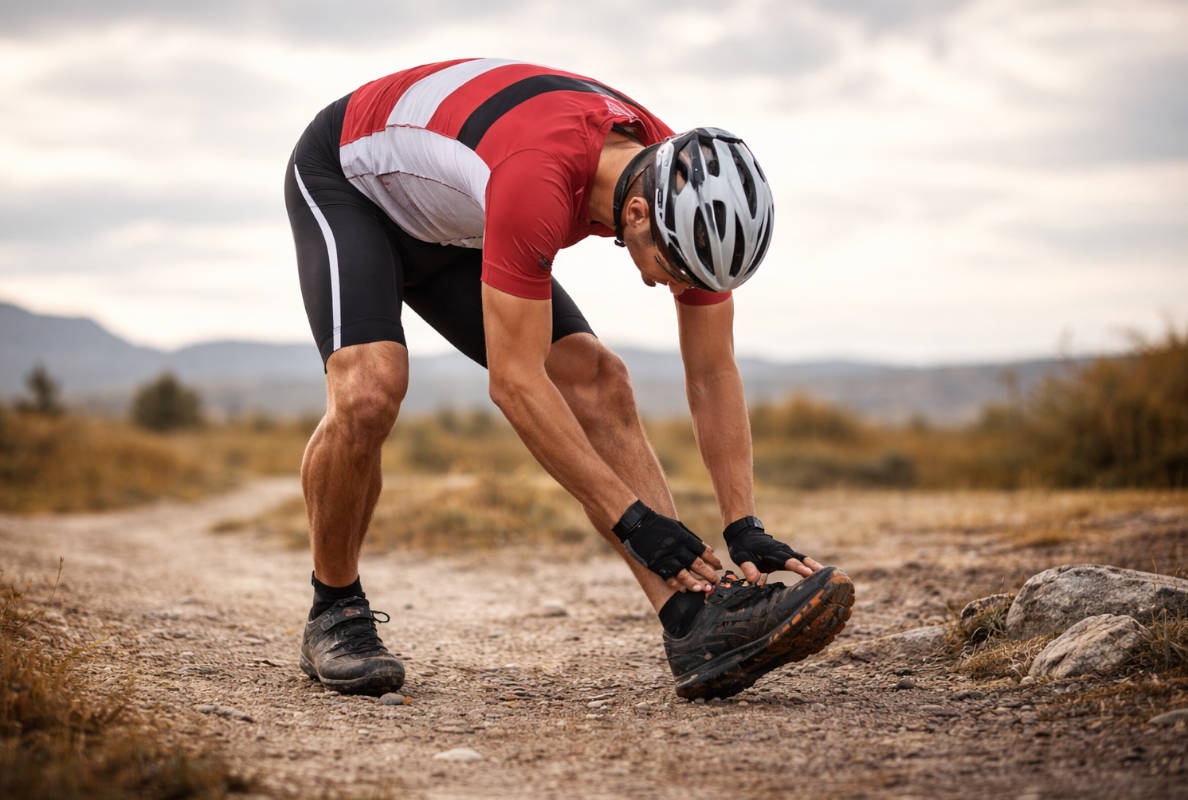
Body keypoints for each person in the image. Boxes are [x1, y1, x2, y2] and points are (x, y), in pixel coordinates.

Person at [283, 58, 854, 700]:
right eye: (676, 271)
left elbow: (714, 372)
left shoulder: (682, 185)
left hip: (454, 214)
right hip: (350, 184)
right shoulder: (540, 179)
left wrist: (742, 522)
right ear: (635, 213)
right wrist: (632, 519)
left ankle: (696, 621)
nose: (680, 289)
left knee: (599, 380)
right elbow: (516, 384)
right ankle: (334, 609)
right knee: (370, 388)